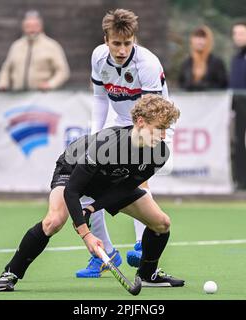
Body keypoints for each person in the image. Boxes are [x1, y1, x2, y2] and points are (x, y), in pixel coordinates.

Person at [0, 94, 184, 292]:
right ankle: (12, 272)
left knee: (162, 223)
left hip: (108, 181)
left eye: (166, 130)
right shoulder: (107, 145)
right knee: (54, 221)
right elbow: (73, 190)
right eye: (159, 129)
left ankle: (147, 274)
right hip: (72, 170)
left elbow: (124, 188)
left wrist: (93, 207)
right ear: (141, 122)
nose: (163, 136)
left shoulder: (159, 153)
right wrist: (86, 234)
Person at [76, 8, 173, 278]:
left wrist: (132, 145)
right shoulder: (98, 57)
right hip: (119, 123)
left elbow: (152, 113)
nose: (121, 50)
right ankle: (104, 254)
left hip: (153, 125)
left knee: (136, 179)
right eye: (116, 43)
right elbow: (99, 98)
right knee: (86, 184)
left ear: (134, 40)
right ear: (106, 40)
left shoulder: (147, 64)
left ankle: (143, 245)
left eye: (127, 43)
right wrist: (96, 135)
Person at [0, 10, 70, 91]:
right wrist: (2, 83)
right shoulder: (16, 46)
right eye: (28, 26)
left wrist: (50, 84)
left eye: (35, 26)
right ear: (23, 27)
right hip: (17, 97)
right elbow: (6, 69)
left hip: (42, 97)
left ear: (41, 27)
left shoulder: (52, 46)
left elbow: (63, 71)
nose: (31, 29)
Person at [178, 25, 228, 91]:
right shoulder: (186, 63)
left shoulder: (217, 62)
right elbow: (181, 85)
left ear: (209, 40)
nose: (199, 41)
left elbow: (222, 85)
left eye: (203, 37)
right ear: (192, 40)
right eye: (197, 37)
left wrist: (204, 87)